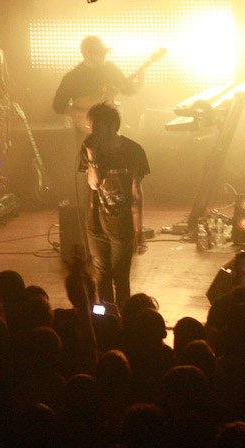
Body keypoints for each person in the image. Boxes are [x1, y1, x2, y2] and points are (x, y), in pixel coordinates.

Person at [79, 103, 149, 311]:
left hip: (121, 225)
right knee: (102, 277)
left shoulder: (133, 151)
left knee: (121, 278)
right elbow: (94, 184)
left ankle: (124, 319)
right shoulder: (90, 149)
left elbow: (136, 195)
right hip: (96, 224)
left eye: (96, 127)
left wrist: (139, 231)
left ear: (111, 126)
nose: (92, 132)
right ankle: (107, 320)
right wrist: (92, 156)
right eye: (91, 127)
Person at [52, 35, 144, 140]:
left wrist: (139, 83)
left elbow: (126, 90)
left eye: (104, 52)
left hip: (109, 126)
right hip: (86, 131)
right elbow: (58, 105)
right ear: (88, 54)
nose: (104, 56)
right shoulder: (73, 77)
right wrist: (82, 114)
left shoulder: (110, 69)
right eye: (100, 53)